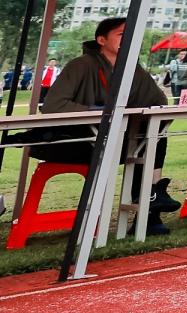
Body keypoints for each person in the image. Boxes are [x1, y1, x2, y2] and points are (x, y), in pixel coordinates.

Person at [33, 17, 177, 232]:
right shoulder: (81, 65)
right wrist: (98, 112)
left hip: (117, 141)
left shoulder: (133, 69)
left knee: (154, 135)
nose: (128, 39)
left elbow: (158, 102)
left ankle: (150, 203)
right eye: (121, 34)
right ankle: (151, 200)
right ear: (101, 39)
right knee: (148, 139)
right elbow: (53, 105)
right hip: (76, 141)